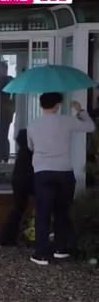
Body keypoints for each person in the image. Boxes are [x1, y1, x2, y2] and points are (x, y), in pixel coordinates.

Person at [26, 93, 96, 265]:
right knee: (62, 212)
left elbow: (30, 146)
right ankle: (61, 248)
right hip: (64, 172)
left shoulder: (33, 124)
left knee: (43, 214)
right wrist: (80, 111)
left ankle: (42, 254)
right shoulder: (67, 121)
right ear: (57, 105)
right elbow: (90, 127)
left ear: (41, 105)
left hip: (43, 172)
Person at [0, 129, 34, 246]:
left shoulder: (21, 153)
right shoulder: (32, 153)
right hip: (30, 181)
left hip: (18, 182)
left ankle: (7, 237)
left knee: (17, 209)